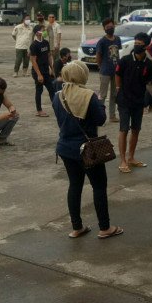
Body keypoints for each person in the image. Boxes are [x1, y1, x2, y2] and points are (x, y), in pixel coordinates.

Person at [53, 61, 123, 239]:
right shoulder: (89, 96)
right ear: (82, 75)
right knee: (99, 186)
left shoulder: (58, 96)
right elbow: (100, 120)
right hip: (88, 149)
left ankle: (77, 227)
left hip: (65, 147)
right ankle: (105, 227)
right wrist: (100, 102)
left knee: (75, 186)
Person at [115, 33, 152, 173]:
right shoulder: (125, 60)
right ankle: (123, 160)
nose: (137, 45)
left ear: (146, 46)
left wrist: (149, 99)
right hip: (124, 100)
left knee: (136, 130)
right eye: (135, 43)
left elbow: (148, 83)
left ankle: (131, 157)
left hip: (138, 101)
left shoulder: (150, 65)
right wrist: (119, 89)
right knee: (124, 129)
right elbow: (118, 75)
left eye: (140, 44)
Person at [95, 18, 122, 123]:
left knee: (114, 94)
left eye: (111, 26)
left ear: (114, 26)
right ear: (104, 29)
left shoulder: (118, 39)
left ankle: (112, 116)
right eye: (107, 27)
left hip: (116, 71)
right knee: (103, 94)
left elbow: (118, 52)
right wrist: (100, 66)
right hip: (105, 71)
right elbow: (98, 55)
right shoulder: (102, 41)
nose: (110, 28)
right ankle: (99, 117)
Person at [30, 24, 55, 117]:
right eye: (42, 30)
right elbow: (33, 61)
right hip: (38, 71)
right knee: (39, 90)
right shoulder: (34, 45)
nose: (44, 31)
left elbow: (49, 56)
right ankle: (39, 110)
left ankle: (56, 107)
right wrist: (39, 75)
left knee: (52, 89)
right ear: (37, 33)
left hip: (46, 70)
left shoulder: (46, 43)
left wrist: (52, 69)